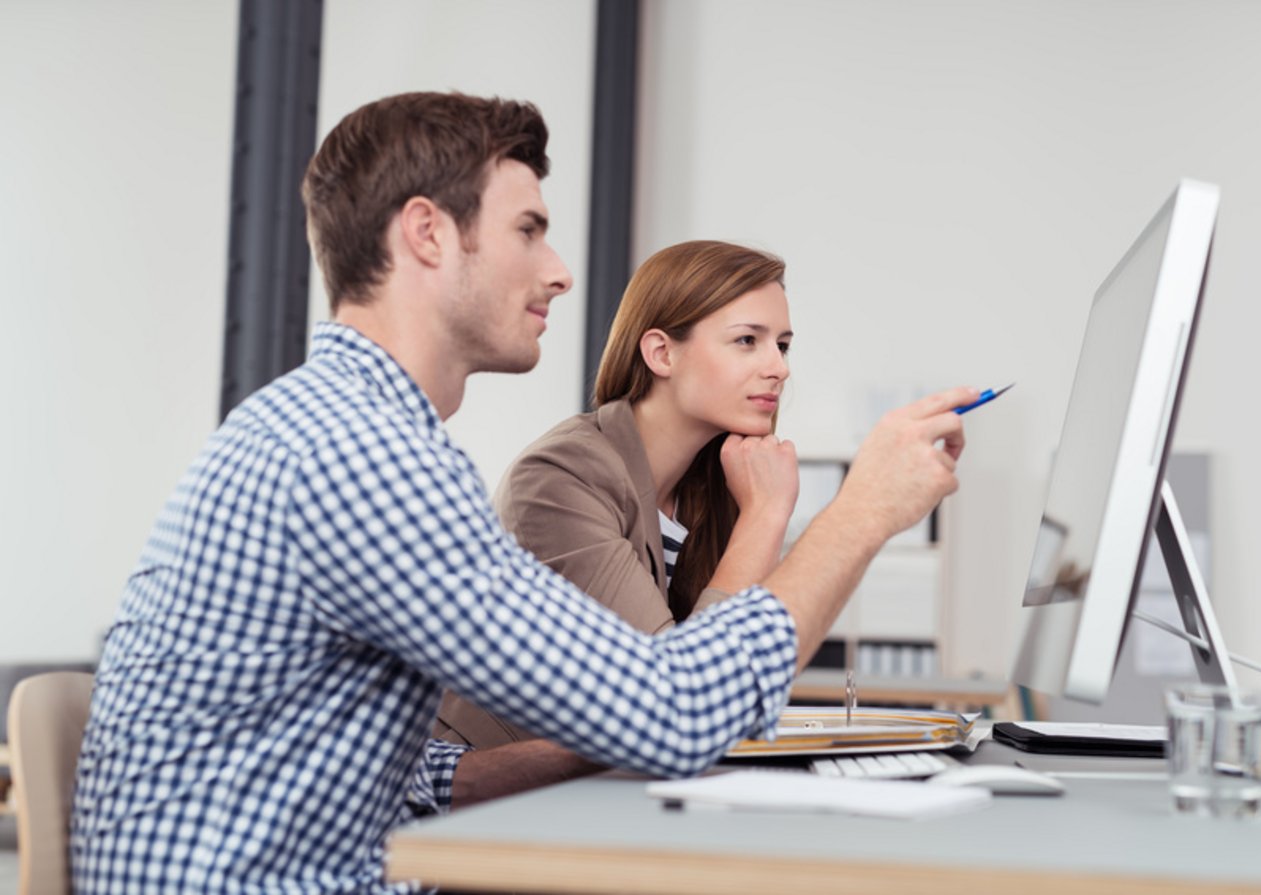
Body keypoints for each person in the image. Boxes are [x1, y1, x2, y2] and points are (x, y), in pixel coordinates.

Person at [70, 91, 975, 895]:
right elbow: (678, 710)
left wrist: (603, 726)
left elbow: (400, 772)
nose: (560, 271)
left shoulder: (333, 427)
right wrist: (865, 508)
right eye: (528, 230)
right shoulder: (364, 458)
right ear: (428, 233)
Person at [437, 240, 801, 748]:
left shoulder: (715, 483)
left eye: (781, 345)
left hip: (609, 781)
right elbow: (683, 700)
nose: (778, 367)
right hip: (492, 795)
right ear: (661, 353)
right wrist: (765, 516)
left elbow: (753, 673)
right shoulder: (558, 478)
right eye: (747, 341)